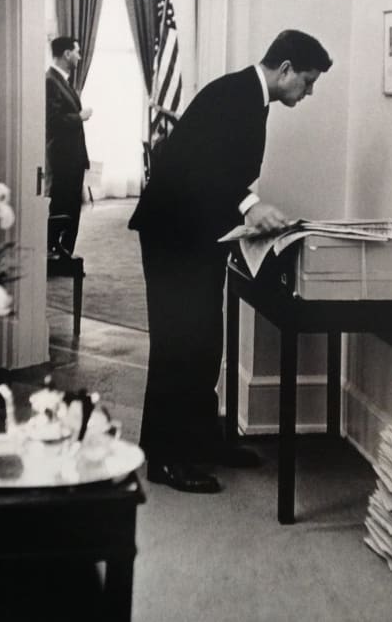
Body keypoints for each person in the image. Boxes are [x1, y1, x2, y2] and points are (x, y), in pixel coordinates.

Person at [129, 29, 333, 493]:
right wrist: (249, 206)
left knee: (204, 342)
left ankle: (201, 439)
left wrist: (247, 212)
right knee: (177, 343)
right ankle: (165, 458)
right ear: (285, 69)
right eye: (307, 81)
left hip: (197, 234)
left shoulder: (250, 98)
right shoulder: (233, 95)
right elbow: (199, 166)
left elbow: (220, 168)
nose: (308, 92)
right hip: (172, 234)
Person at [45, 36, 92, 256]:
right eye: (77, 52)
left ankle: (64, 254)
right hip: (63, 160)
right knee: (63, 207)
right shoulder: (50, 81)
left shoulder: (61, 81)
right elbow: (52, 120)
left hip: (72, 159)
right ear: (66, 54)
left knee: (71, 208)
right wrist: (79, 117)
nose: (79, 57)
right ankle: (57, 252)